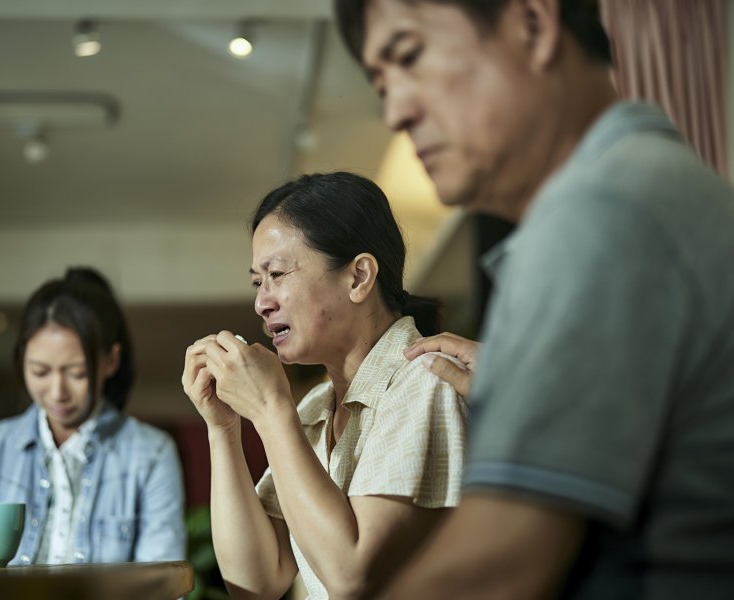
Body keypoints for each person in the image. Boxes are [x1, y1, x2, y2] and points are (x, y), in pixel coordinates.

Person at [335, 0, 734, 597]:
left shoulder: (601, 209)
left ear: (532, 25)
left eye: (410, 57)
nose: (395, 112)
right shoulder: (655, 182)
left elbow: (499, 566)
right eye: (382, 86)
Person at [182, 171, 467, 599]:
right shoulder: (316, 406)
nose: (261, 302)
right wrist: (222, 428)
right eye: (258, 282)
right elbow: (256, 583)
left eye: (278, 274)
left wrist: (269, 409)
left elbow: (353, 576)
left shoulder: (426, 380)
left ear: (358, 277)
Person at [0, 267, 186, 565]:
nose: (57, 392)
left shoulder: (151, 455)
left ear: (111, 361)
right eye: (40, 372)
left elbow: (161, 581)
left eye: (76, 373)